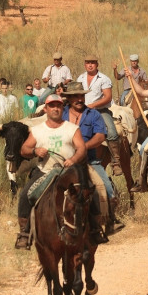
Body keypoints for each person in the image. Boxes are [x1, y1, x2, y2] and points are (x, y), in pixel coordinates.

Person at [14, 94, 87, 249]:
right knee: (26, 195)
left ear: (63, 108)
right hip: (45, 170)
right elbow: (24, 149)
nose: (55, 109)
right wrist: (35, 151)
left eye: (58, 106)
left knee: (89, 192)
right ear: (45, 109)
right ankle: (24, 233)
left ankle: (94, 228)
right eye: (52, 106)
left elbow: (81, 148)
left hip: (68, 171)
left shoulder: (72, 128)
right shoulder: (37, 130)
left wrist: (73, 160)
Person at [62, 82, 125, 234]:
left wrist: (83, 147)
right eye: (75, 96)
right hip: (63, 160)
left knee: (107, 188)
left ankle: (110, 220)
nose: (79, 99)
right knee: (43, 184)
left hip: (89, 161)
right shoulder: (62, 113)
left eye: (81, 96)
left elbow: (100, 136)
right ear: (69, 98)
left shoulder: (94, 114)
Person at [77, 55, 123, 176]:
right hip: (82, 110)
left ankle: (116, 162)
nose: (90, 65)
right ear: (85, 64)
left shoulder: (104, 78)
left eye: (92, 63)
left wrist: (92, 105)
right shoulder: (80, 78)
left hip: (100, 111)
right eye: (88, 63)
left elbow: (108, 97)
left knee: (112, 131)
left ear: (97, 64)